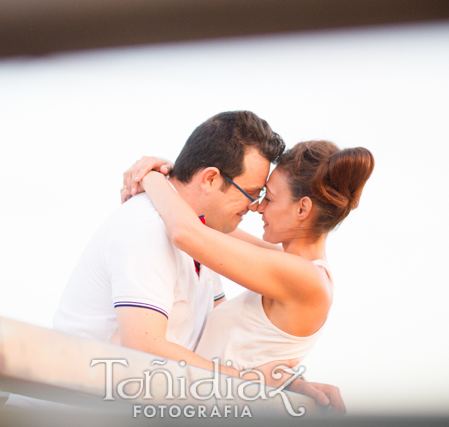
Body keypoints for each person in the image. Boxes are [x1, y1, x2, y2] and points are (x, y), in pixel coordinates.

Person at [124, 140, 374, 413]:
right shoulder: (290, 266)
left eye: (269, 198)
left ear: (302, 209)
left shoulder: (304, 278)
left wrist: (151, 176)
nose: (257, 207)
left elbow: (187, 232)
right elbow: (208, 222)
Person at [53, 111, 284, 379]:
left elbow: (221, 331)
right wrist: (242, 380)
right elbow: (143, 346)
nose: (254, 207)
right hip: (72, 411)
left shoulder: (202, 232)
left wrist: (287, 381)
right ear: (210, 179)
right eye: (250, 194)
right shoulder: (147, 226)